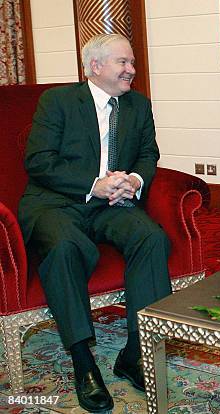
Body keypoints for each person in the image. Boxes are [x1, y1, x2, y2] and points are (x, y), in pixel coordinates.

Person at [18, 33, 172, 412]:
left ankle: (134, 353)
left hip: (112, 204)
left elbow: (149, 154)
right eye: (123, 62)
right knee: (66, 246)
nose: (131, 70)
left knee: (151, 237)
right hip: (57, 203)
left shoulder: (138, 105)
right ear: (95, 66)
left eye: (132, 62)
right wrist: (94, 185)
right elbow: (39, 161)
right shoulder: (58, 102)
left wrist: (133, 182)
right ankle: (83, 361)